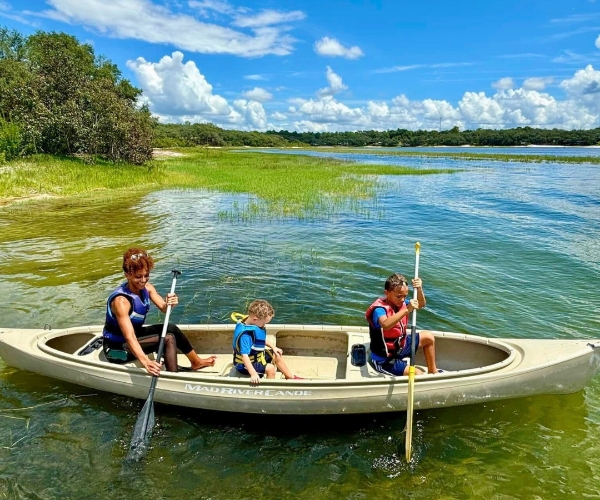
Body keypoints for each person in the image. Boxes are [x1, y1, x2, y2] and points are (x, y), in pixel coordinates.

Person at [102, 248, 216, 375]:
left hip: (133, 337)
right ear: (127, 275)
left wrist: (170, 303)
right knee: (168, 339)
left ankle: (196, 362)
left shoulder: (147, 288)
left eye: (146, 275)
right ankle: (173, 378)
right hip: (116, 350)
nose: (143, 280)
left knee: (171, 328)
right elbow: (130, 337)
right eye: (138, 277)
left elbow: (163, 308)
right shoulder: (121, 302)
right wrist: (146, 362)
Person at [365, 273, 439, 376]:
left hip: (400, 347)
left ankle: (433, 371)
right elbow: (386, 324)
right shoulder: (379, 310)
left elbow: (421, 304)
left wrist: (419, 289)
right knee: (417, 374)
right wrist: (407, 310)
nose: (403, 299)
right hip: (384, 360)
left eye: (405, 296)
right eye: (399, 296)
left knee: (428, 337)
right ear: (386, 293)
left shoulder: (401, 304)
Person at [232, 299, 302, 385]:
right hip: (244, 365)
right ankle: (269, 387)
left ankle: (290, 377)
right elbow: (244, 356)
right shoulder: (246, 336)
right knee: (270, 368)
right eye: (263, 323)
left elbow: (260, 339)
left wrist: (273, 347)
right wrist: (253, 373)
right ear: (255, 319)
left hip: (256, 357)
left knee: (277, 355)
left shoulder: (252, 323)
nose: (264, 325)